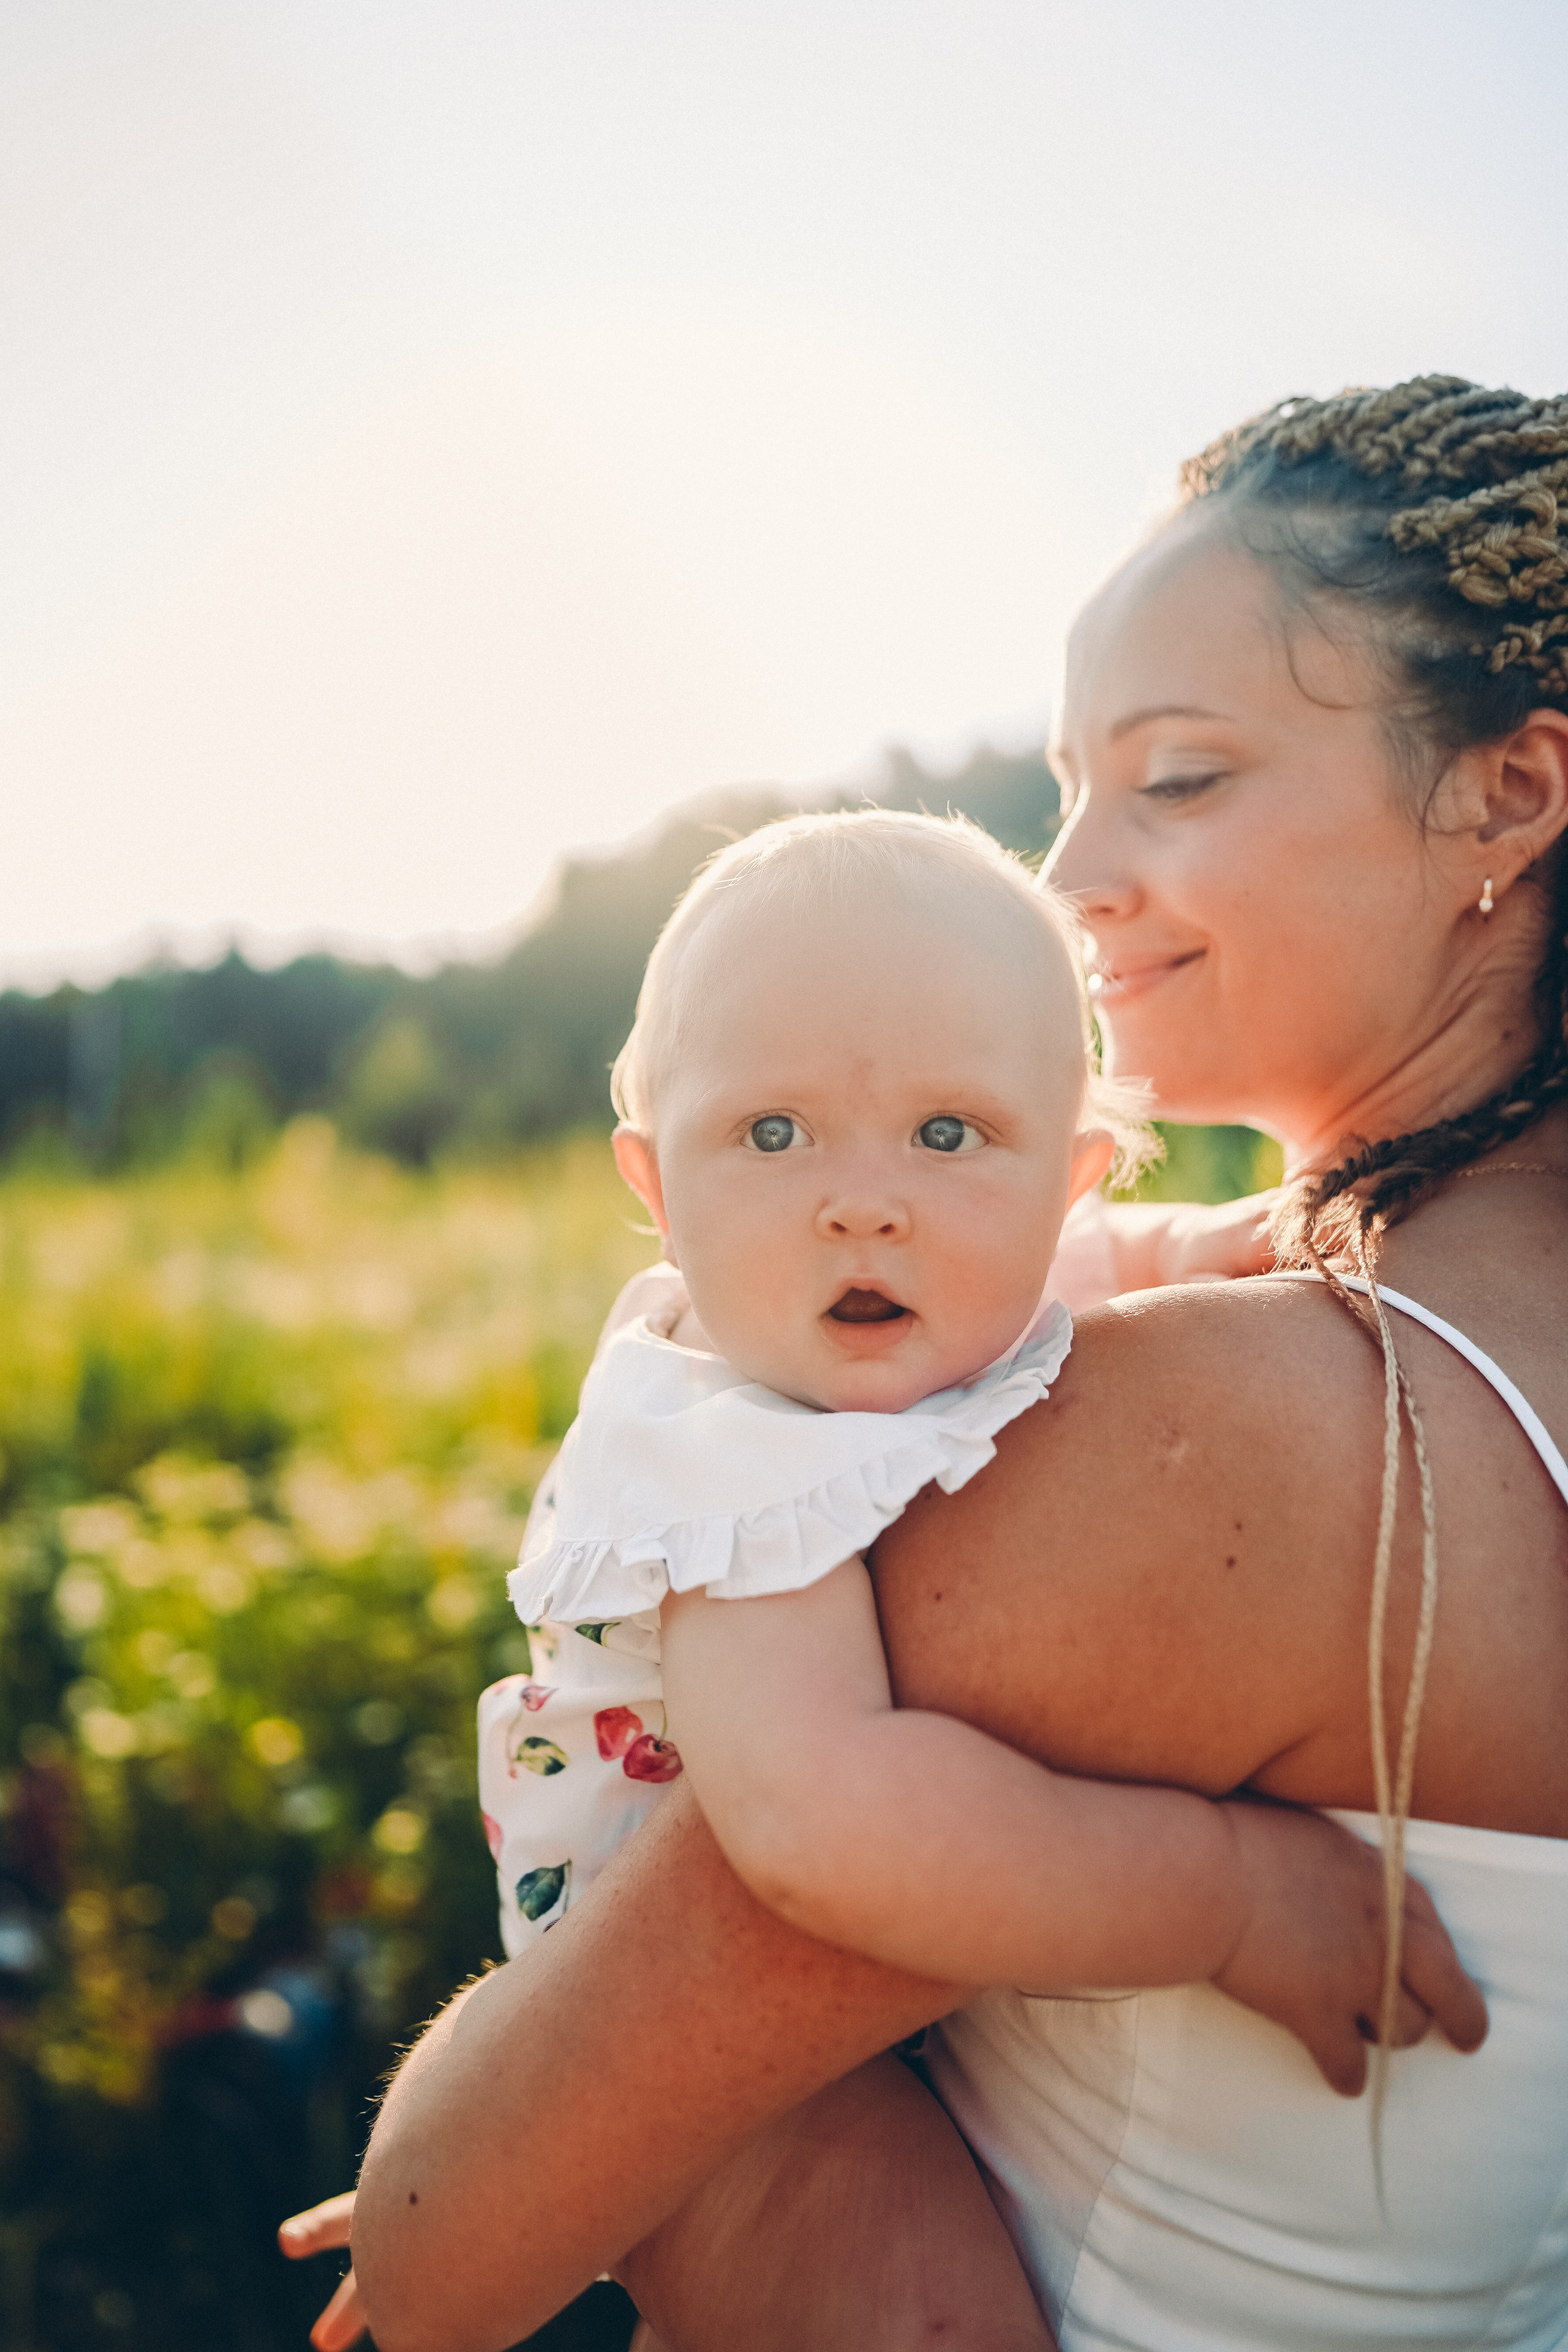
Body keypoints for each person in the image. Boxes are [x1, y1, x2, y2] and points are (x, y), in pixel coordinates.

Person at [323, 375, 1568, 2348]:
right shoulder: (1392, 1361)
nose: (1069, 877)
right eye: (1069, 785)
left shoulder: (1216, 1442)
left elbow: (450, 2248)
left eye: (1177, 777)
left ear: (1510, 793)